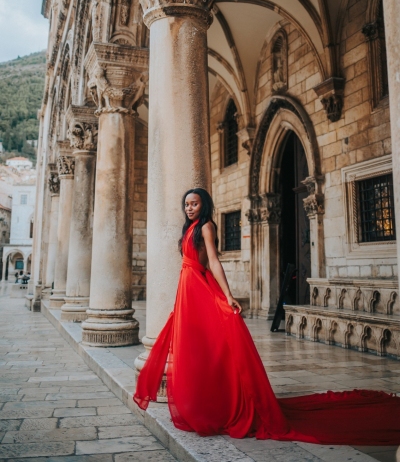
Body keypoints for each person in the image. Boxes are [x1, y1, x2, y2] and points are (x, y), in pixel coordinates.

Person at [134, 188, 400, 445]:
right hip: (187, 289)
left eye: (195, 204)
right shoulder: (188, 229)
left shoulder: (206, 226)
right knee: (192, 347)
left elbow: (213, 261)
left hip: (199, 288)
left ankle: (219, 405)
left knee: (212, 345)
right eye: (187, 204)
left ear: (204, 205)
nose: (189, 208)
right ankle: (202, 403)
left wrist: (228, 294)